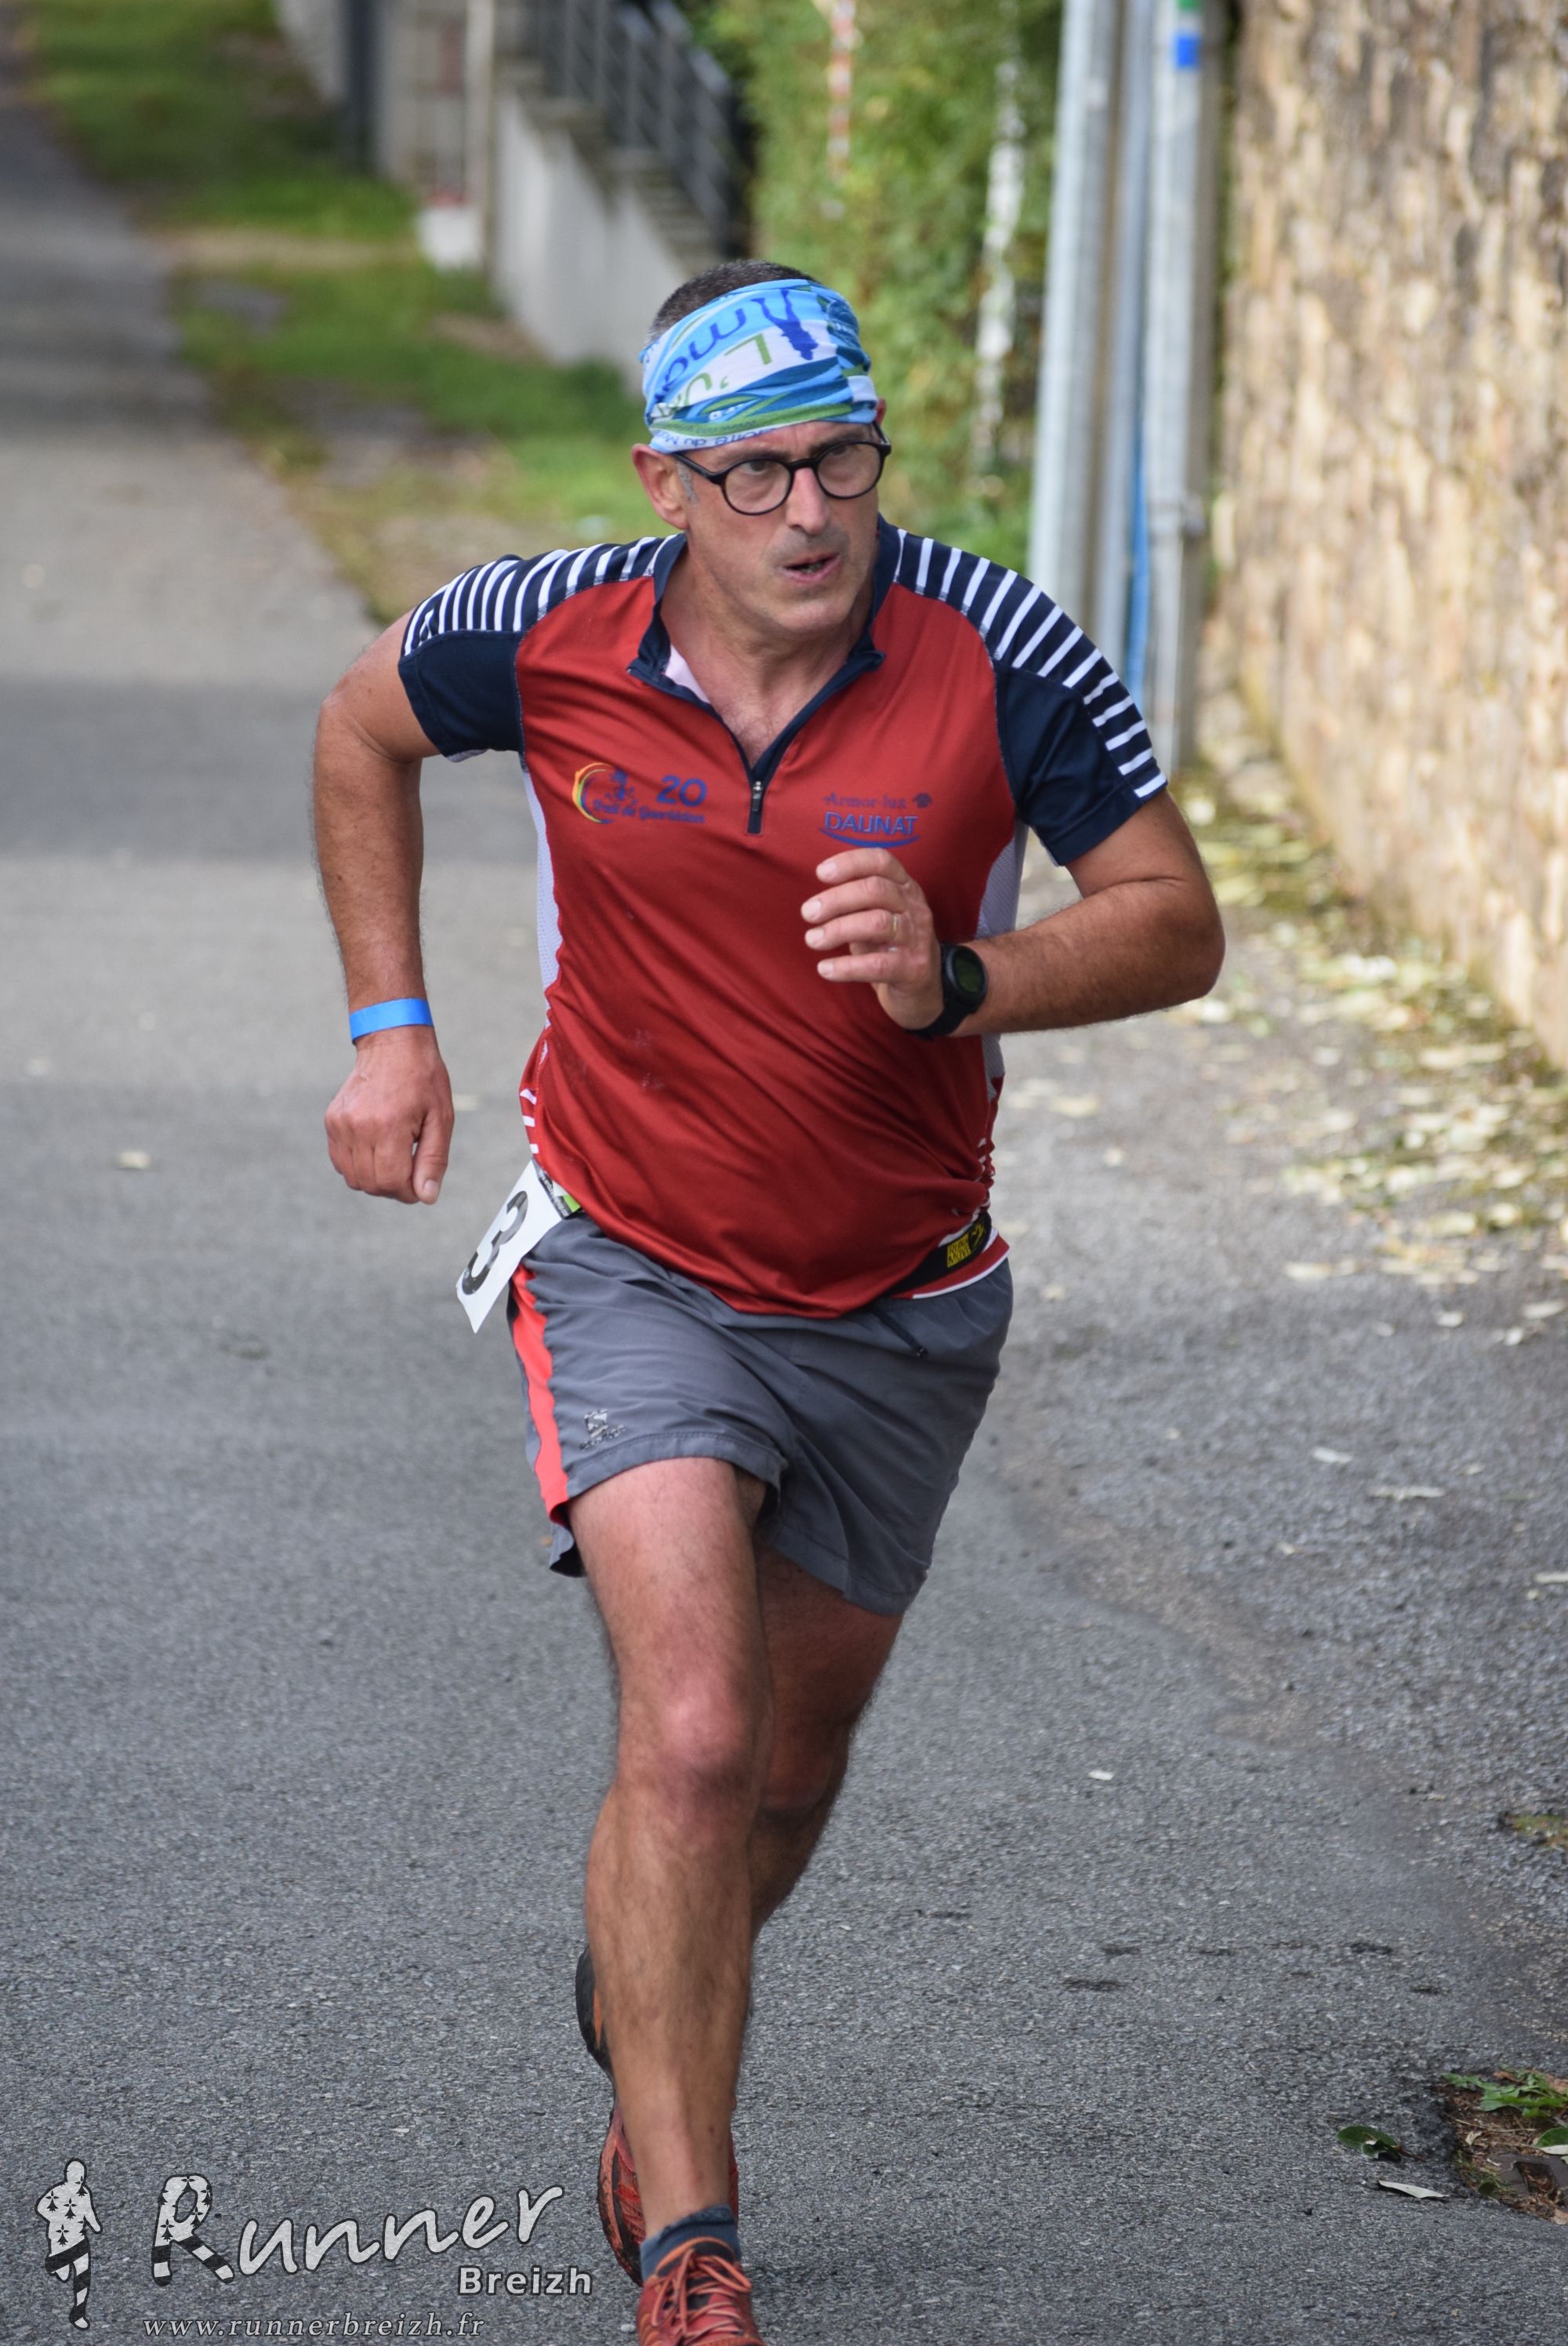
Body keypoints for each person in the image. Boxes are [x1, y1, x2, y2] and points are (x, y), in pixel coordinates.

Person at [314, 262, 1223, 2345]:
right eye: (754, 473)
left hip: (903, 1296)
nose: (811, 512)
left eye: (842, 460)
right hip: (627, 1252)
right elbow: (360, 727)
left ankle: (647, 1993)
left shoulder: (999, 648)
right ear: (667, 483)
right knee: (700, 1737)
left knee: (781, 1782)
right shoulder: (541, 632)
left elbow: (1174, 920)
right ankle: (692, 2244)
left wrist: (965, 976)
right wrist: (389, 1025)